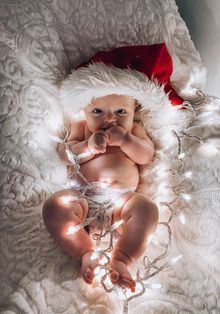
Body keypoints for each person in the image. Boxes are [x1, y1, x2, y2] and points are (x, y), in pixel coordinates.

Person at [42, 92, 159, 293]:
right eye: (97, 111)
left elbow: (146, 156)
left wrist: (126, 141)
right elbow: (65, 154)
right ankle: (86, 253)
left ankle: (122, 259)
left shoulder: (135, 130)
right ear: (85, 110)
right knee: (54, 206)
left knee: (147, 209)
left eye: (121, 111)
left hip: (121, 201)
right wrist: (87, 146)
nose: (109, 119)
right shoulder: (80, 127)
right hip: (81, 197)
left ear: (135, 110)